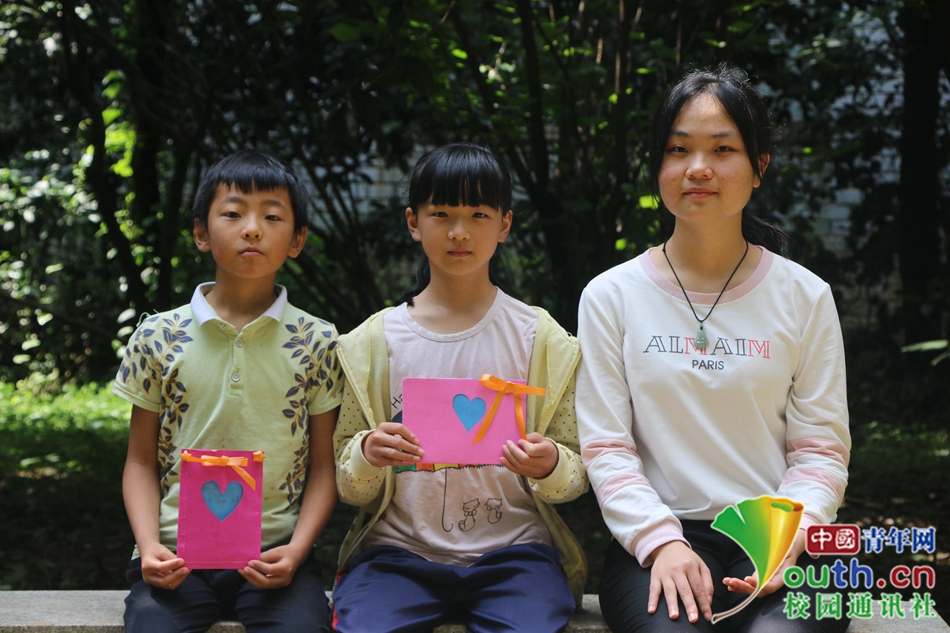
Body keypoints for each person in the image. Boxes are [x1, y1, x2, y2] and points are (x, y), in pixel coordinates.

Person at [576, 65, 851, 632]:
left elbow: (820, 451)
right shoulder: (610, 296)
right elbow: (606, 447)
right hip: (660, 537)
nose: (697, 168)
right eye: (678, 150)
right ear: (658, 166)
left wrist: (791, 537)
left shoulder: (805, 296)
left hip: (781, 533)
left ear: (759, 167)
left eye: (723, 149)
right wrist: (661, 543)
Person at [330, 143, 587, 633]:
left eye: (479, 215)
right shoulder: (371, 343)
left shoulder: (542, 341)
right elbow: (348, 483)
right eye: (441, 214)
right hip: (397, 554)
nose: (459, 231)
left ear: (505, 225)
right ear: (413, 222)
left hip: (516, 555)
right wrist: (366, 453)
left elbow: (576, 471)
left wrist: (551, 463)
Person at [113, 149, 343, 633]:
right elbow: (139, 460)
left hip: (275, 556)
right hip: (175, 556)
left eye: (272, 217)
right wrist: (149, 546)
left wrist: (296, 551)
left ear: (297, 240)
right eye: (234, 213)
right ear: (201, 233)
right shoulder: (157, 336)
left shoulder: (318, 341)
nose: (252, 229)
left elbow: (325, 467)